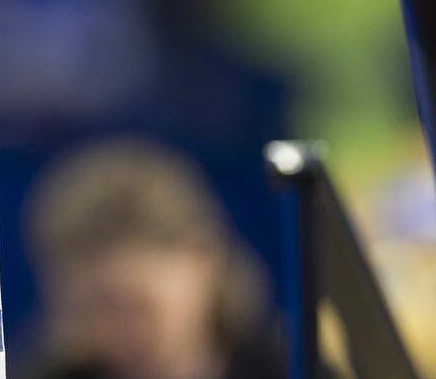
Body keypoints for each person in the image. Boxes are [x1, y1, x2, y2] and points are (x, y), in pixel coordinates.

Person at [24, 139, 284, 379]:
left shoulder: (294, 368)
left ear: (201, 257)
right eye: (92, 312)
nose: (118, 334)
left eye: (136, 307)